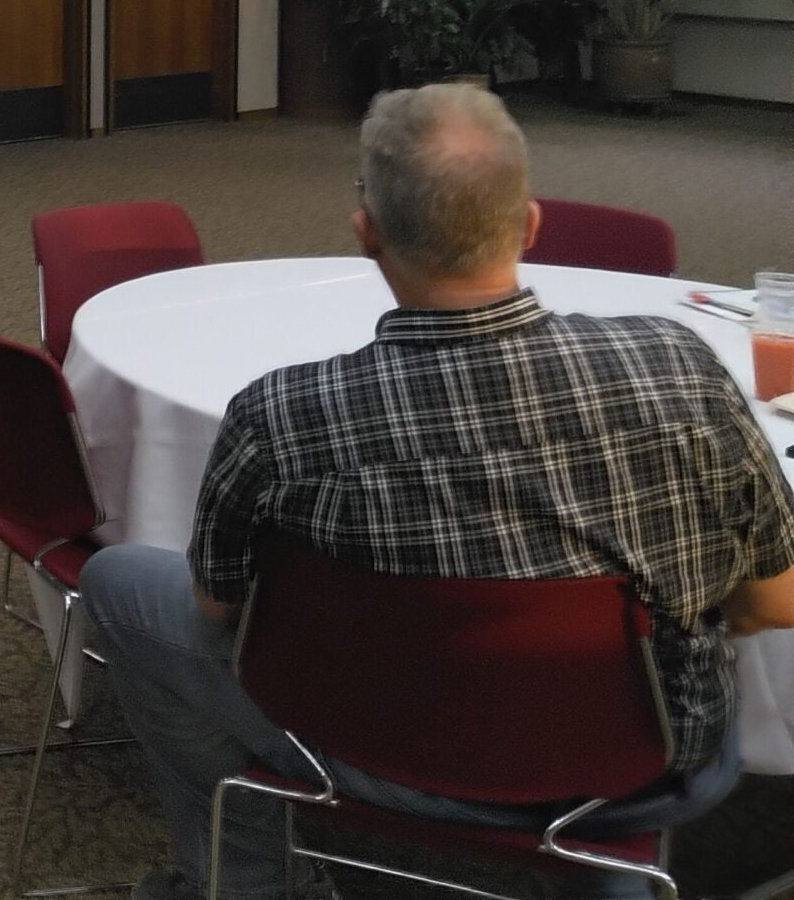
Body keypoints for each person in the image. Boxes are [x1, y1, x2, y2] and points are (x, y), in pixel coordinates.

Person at [81, 83, 794, 900]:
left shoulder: (279, 416)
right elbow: (775, 603)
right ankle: (607, 868)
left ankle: (249, 885)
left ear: (366, 236)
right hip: (660, 764)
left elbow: (220, 614)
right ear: (529, 225)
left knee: (120, 582)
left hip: (366, 749)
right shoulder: (683, 370)